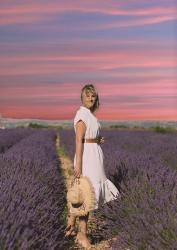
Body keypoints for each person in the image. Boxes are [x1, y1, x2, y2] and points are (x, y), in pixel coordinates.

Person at [65, 84, 120, 249]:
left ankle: (71, 225)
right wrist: (78, 165)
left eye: (93, 96)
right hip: (87, 158)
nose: (90, 98)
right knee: (87, 196)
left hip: (93, 155)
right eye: (88, 95)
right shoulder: (82, 115)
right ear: (82, 97)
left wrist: (97, 140)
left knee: (86, 194)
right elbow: (79, 140)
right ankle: (82, 234)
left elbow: (89, 137)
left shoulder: (90, 115)